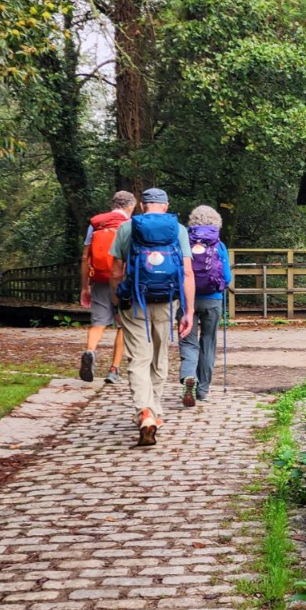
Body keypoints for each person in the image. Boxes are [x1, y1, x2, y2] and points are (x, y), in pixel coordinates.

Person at [109, 188, 195, 446]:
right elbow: (188, 272)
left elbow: (115, 271)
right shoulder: (178, 230)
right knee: (160, 355)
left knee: (138, 358)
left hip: (135, 301)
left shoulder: (127, 228)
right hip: (167, 301)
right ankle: (154, 410)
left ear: (142, 206)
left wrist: (116, 303)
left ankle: (144, 411)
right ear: (166, 206)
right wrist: (188, 311)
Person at [178, 205, 232, 406]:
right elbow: (226, 277)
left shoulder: (183, 243)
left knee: (188, 342)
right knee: (208, 343)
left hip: (187, 300)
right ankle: (202, 391)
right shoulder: (218, 245)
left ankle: (189, 376)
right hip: (213, 300)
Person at [78, 191, 134, 384]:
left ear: (113, 204)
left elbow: (86, 257)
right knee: (123, 324)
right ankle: (114, 369)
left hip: (100, 279)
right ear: (131, 206)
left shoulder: (96, 224)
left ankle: (90, 351)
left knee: (98, 322)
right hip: (124, 281)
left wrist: (85, 286)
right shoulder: (131, 225)